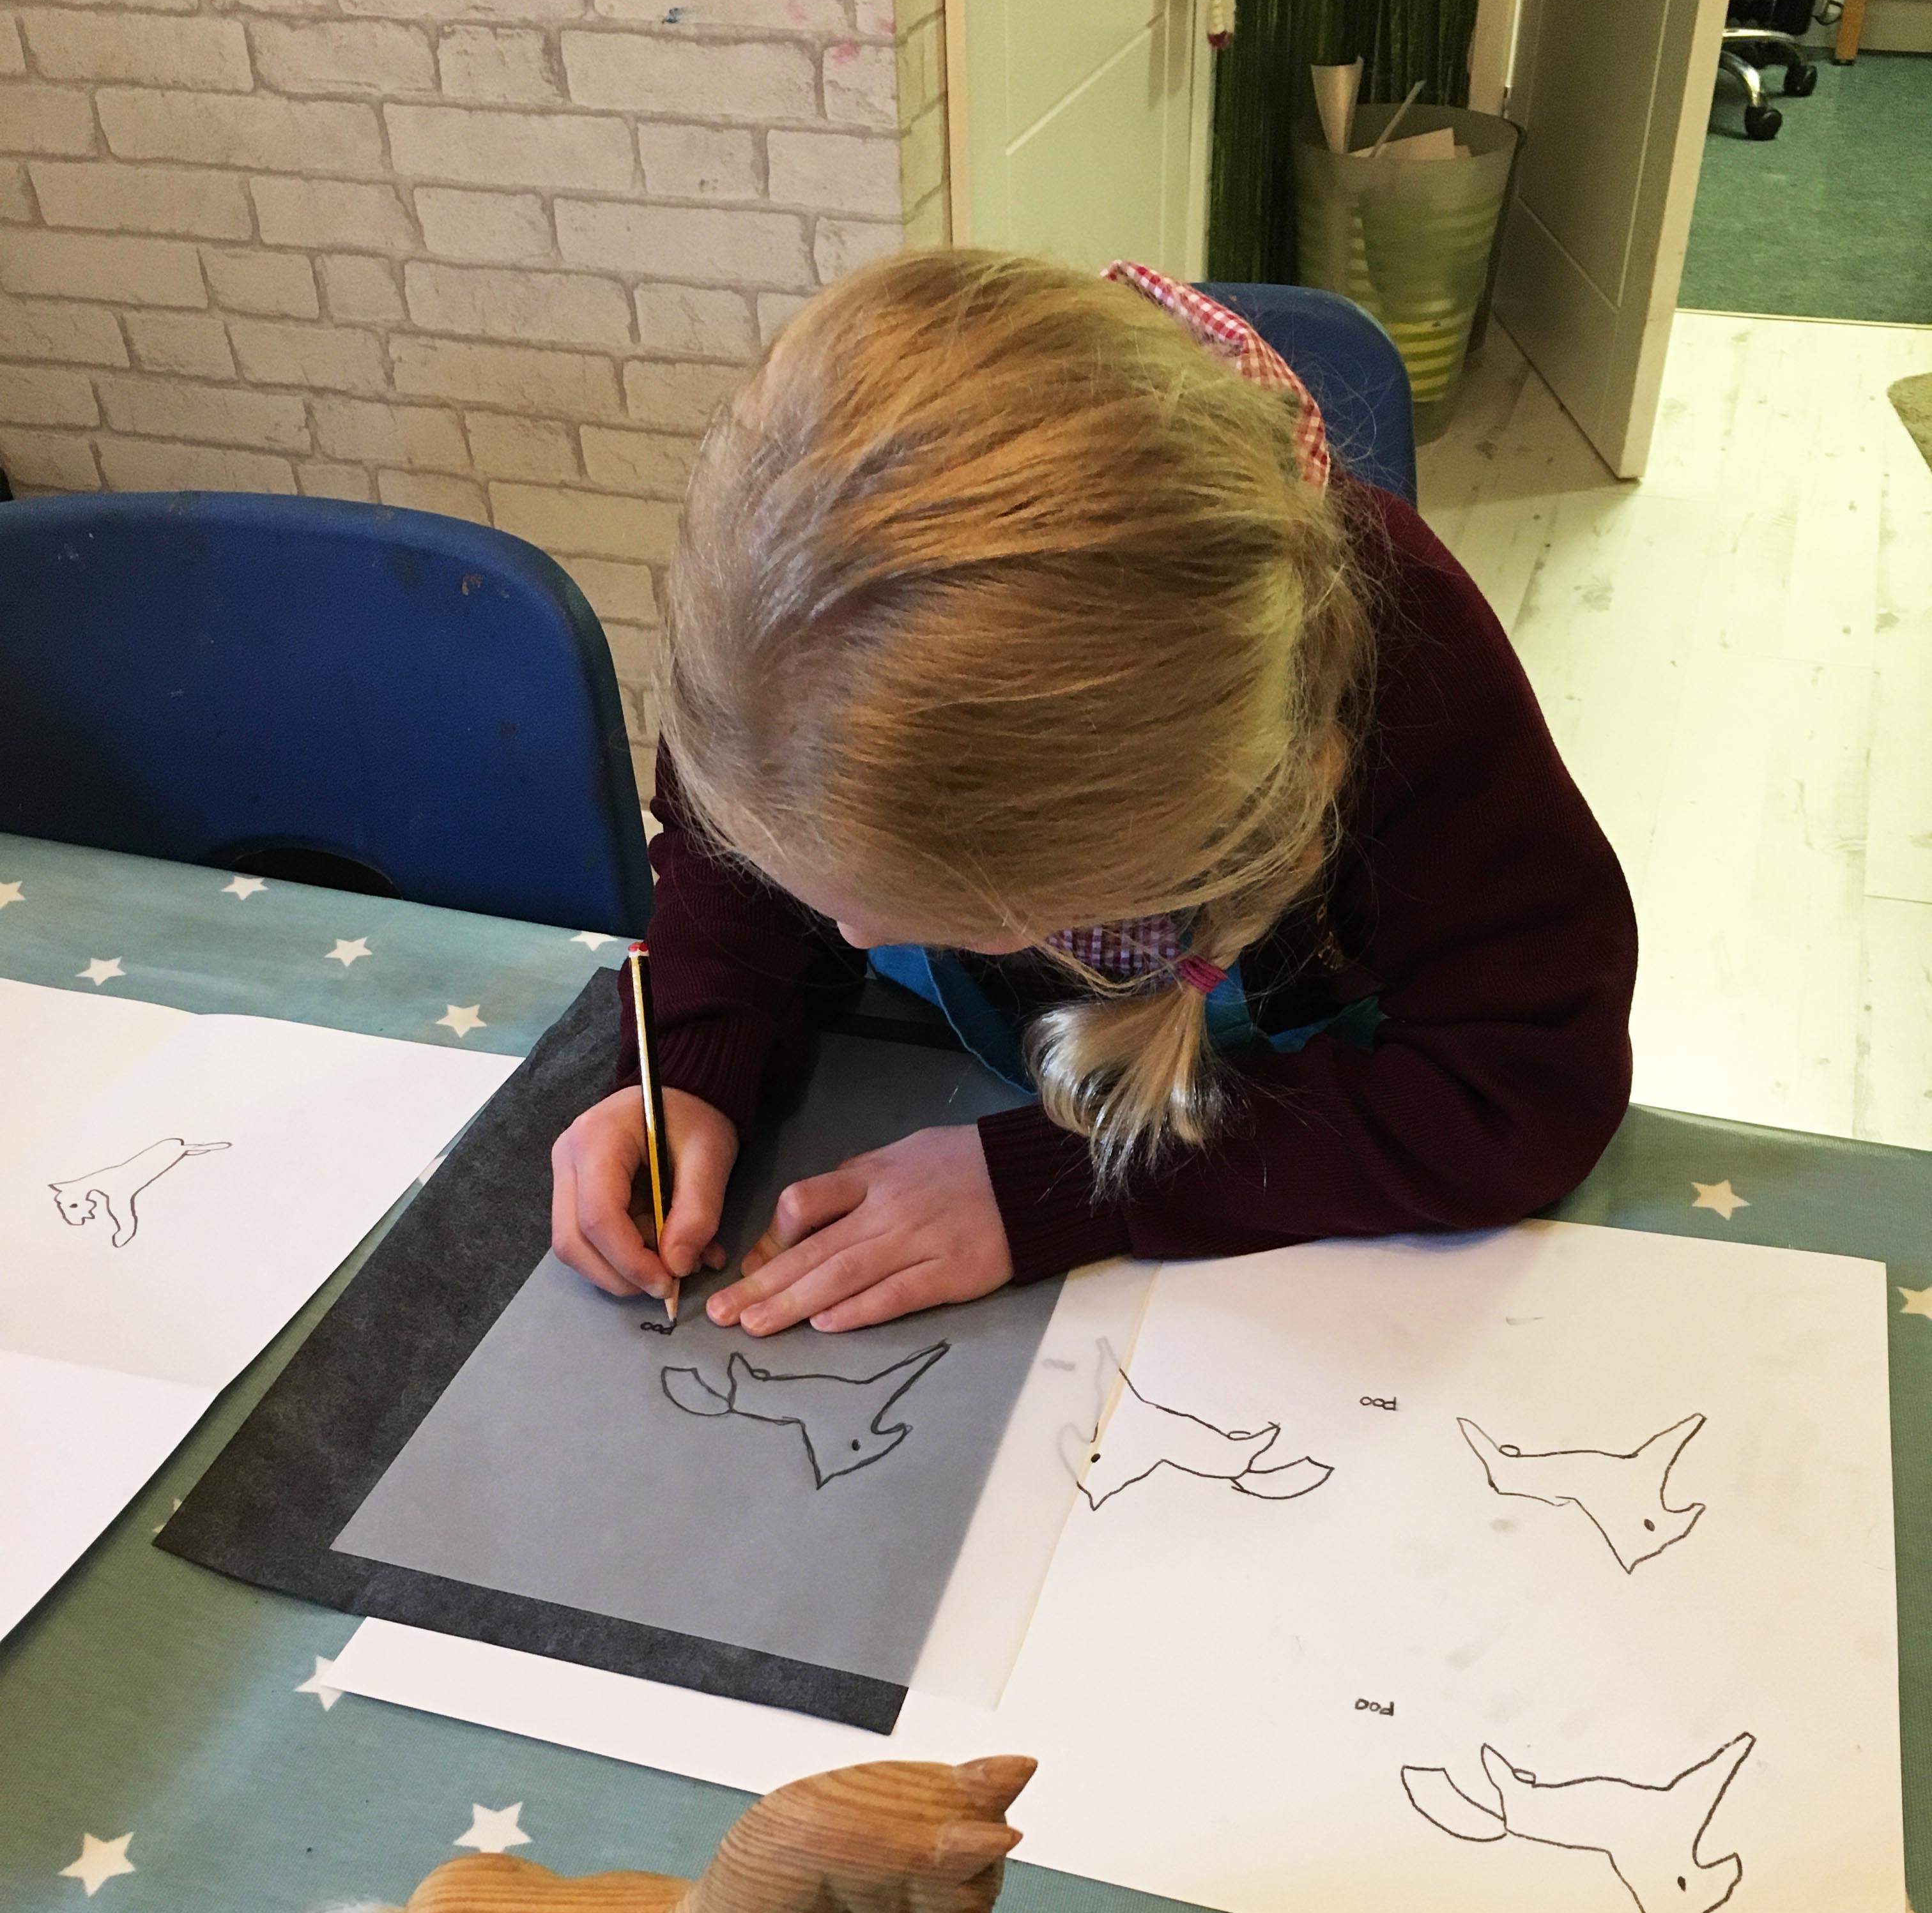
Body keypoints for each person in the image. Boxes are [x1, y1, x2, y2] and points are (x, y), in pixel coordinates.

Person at [550, 249, 1637, 1336]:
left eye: (955, 914)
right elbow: (728, 866)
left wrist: (1063, 1181)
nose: (852, 933)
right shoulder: (775, 662)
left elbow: (1524, 1088)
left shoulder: (1415, 681)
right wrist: (689, 1059)